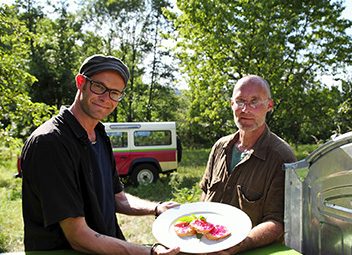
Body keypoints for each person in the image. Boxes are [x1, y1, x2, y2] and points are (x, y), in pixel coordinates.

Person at [20, 54, 180, 255]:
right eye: (99, 87)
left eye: (115, 93)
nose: (106, 98)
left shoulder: (100, 135)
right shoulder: (50, 143)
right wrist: (150, 252)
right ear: (81, 82)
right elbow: (78, 237)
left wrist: (157, 208)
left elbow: (118, 199)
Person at [199, 75, 296, 254]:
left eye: (254, 101)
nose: (245, 109)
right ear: (231, 104)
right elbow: (205, 193)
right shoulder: (220, 147)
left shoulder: (281, 157)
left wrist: (237, 245)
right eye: (240, 101)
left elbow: (278, 221)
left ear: (269, 105)